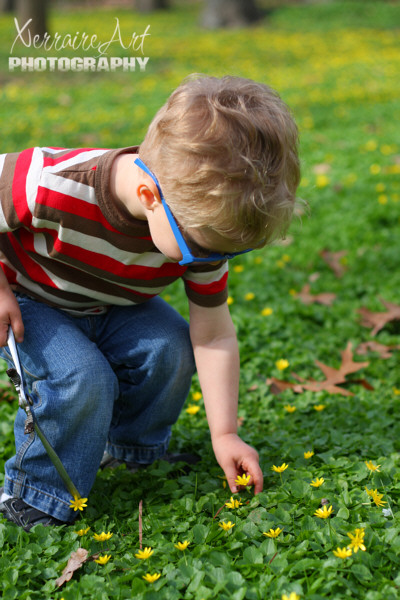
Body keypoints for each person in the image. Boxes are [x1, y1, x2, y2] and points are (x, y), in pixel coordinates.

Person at [0, 74, 300, 531]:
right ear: (149, 196)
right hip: (30, 300)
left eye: (228, 253)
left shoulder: (196, 223)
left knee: (171, 347)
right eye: (203, 250)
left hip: (112, 304)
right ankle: (34, 494)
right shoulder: (50, 183)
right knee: (81, 376)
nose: (213, 261)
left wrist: (225, 433)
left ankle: (130, 453)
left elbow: (214, 332)